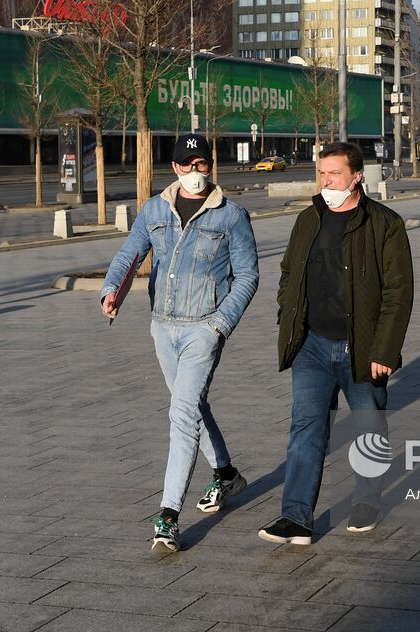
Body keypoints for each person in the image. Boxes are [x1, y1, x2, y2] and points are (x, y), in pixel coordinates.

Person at [101, 133, 259, 552]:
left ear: (211, 166)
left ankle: (168, 516)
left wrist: (219, 326)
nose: (194, 172)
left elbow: (247, 276)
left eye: (201, 163)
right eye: (186, 165)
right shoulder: (154, 209)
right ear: (174, 168)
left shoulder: (231, 216)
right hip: (162, 327)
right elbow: (129, 252)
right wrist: (111, 289)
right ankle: (226, 475)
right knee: (192, 406)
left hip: (203, 328)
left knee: (181, 414)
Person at [259, 142, 414, 545]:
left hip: (362, 347)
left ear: (357, 176)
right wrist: (288, 318)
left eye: (334, 174)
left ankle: (366, 502)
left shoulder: (384, 224)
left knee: (368, 427)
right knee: (305, 429)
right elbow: (289, 272)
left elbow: (399, 292)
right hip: (311, 345)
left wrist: (385, 350)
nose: (326, 181)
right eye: (322, 173)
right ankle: (296, 518)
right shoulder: (308, 219)